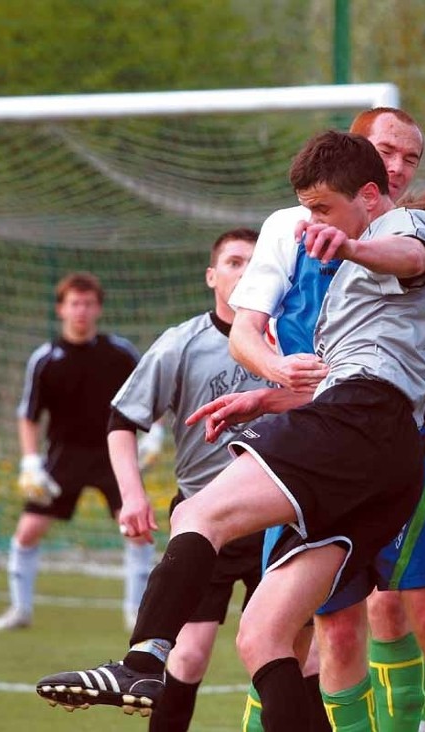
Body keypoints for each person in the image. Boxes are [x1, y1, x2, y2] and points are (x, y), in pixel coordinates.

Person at [35, 129, 425, 731]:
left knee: (196, 513)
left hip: (361, 424)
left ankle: (143, 659)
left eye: (321, 209)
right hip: (377, 454)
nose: (309, 221)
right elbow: (356, 372)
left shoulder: (407, 229)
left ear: (369, 196)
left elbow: (409, 259)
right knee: (262, 637)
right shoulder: (341, 280)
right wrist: (267, 394)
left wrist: (350, 247)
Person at [202, 109, 425, 732]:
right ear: (351, 153)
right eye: (384, 149)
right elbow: (246, 329)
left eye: (410, 157)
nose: (396, 165)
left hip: (402, 452)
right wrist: (279, 380)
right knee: (326, 628)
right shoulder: (292, 227)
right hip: (317, 445)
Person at [106, 227, 273, 731]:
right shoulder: (182, 343)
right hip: (208, 521)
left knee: (294, 650)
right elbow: (121, 422)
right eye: (234, 262)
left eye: (255, 263)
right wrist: (132, 496)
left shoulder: (290, 339)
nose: (244, 273)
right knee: (189, 655)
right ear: (211, 275)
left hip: (279, 517)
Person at [0, 271, 163, 632]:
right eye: (74, 304)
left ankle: (137, 612)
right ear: (61, 309)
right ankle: (20, 609)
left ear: (98, 308)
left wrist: (154, 436)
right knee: (27, 531)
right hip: (63, 457)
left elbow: (152, 393)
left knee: (138, 531)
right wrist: (29, 462)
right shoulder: (45, 358)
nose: (81, 311)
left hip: (114, 453)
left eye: (88, 303)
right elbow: (28, 415)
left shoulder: (120, 353)